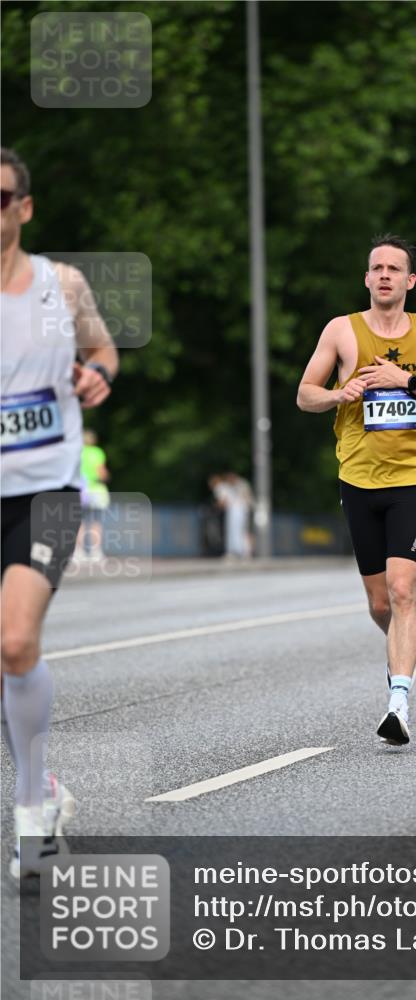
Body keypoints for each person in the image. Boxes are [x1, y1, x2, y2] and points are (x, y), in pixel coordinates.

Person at [297, 233, 416, 745]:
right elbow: (305, 395)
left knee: (402, 591)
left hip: (413, 481)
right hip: (358, 481)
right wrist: (337, 394)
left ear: (410, 281)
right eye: (377, 268)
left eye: (395, 268)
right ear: (367, 278)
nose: (385, 275)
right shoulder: (341, 331)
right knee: (380, 605)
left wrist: (407, 381)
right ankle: (403, 650)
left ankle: (399, 701)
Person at [1, 147, 118, 878]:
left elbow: (104, 349)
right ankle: (43, 784)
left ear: (23, 207)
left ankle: (31, 816)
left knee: (15, 643)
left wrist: (98, 373)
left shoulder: (60, 285)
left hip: (47, 489)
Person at [75, 429, 111, 562]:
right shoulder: (97, 452)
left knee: (80, 522)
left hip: (81, 490)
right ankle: (95, 552)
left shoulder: (77, 452)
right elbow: (101, 472)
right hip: (96, 490)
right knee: (96, 522)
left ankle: (79, 552)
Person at [210, 471, 255, 559]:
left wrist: (216, 507)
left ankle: (242, 551)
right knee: (236, 530)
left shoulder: (239, 484)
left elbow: (223, 501)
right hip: (239, 510)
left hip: (241, 510)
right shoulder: (229, 486)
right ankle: (239, 551)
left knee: (240, 530)